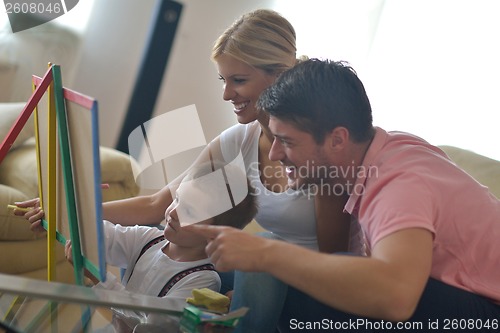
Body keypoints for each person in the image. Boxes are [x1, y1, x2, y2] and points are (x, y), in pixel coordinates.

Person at [15, 9, 361, 333]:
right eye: (223, 79)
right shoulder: (237, 141)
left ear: (280, 76)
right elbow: (158, 205)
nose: (227, 94)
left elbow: (333, 264)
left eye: (238, 80)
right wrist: (71, 214)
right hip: (253, 276)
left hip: (309, 288)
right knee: (187, 264)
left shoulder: (319, 149)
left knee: (247, 255)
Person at [188, 58, 500, 332]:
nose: (276, 154)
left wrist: (266, 254)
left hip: (486, 314)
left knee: (291, 281)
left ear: (338, 139)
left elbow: (397, 295)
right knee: (264, 282)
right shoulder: (385, 151)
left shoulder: (399, 181)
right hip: (462, 303)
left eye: (287, 141)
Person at [61, 160, 257, 331]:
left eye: (189, 211)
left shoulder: (202, 280)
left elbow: (149, 324)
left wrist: (99, 278)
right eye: (177, 199)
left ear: (214, 234)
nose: (172, 212)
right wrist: (83, 205)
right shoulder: (148, 239)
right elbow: (100, 236)